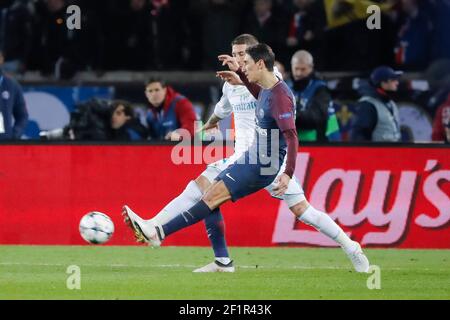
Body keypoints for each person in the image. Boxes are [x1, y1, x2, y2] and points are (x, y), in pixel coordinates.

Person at [122, 41, 370, 274]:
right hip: (252, 157)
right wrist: (239, 79)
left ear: (260, 63)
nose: (242, 65)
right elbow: (257, 93)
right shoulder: (262, 89)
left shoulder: (280, 94)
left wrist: (288, 172)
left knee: (207, 196)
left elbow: (292, 136)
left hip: (263, 164)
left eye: (246, 61)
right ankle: (350, 246)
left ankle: (159, 232)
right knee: (301, 210)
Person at [288, 50, 340, 142]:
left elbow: (316, 118)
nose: (299, 73)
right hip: (298, 143)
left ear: (311, 68)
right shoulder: (288, 87)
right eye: (296, 69)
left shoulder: (320, 89)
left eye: (303, 69)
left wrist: (288, 115)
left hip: (321, 143)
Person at [351, 66, 403, 142]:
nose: (397, 83)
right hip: (378, 153)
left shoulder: (391, 103)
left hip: (393, 152)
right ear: (383, 83)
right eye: (393, 80)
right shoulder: (368, 105)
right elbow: (360, 137)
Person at [0, 50, 28, 140]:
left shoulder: (11, 85)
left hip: (4, 143)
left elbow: (22, 115)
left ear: (1, 59)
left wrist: (15, 134)